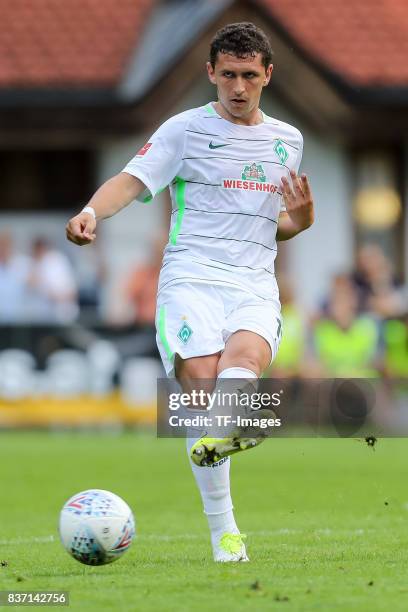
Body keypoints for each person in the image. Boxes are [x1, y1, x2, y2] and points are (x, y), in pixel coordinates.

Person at [66, 22, 314, 562]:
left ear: (268, 75)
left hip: (254, 281)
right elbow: (130, 182)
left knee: (244, 360)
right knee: (202, 389)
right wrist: (90, 211)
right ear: (211, 73)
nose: (239, 87)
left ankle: (230, 446)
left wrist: (305, 219)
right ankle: (225, 526)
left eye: (250, 75)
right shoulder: (183, 130)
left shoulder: (287, 142)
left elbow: (275, 225)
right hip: (191, 277)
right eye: (229, 75)